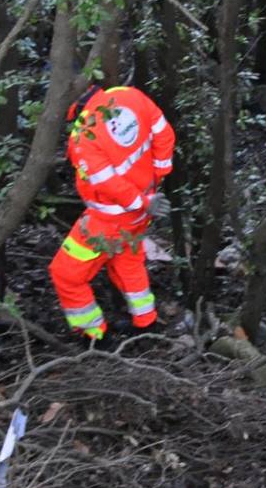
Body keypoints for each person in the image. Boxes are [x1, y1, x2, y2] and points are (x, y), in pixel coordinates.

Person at [50, 82, 174, 339]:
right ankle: (146, 322)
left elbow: (107, 183)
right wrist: (157, 178)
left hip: (111, 217)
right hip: (143, 209)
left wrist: (141, 200)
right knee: (128, 261)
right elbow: (164, 133)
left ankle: (92, 335)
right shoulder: (129, 95)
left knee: (65, 273)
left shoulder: (85, 133)